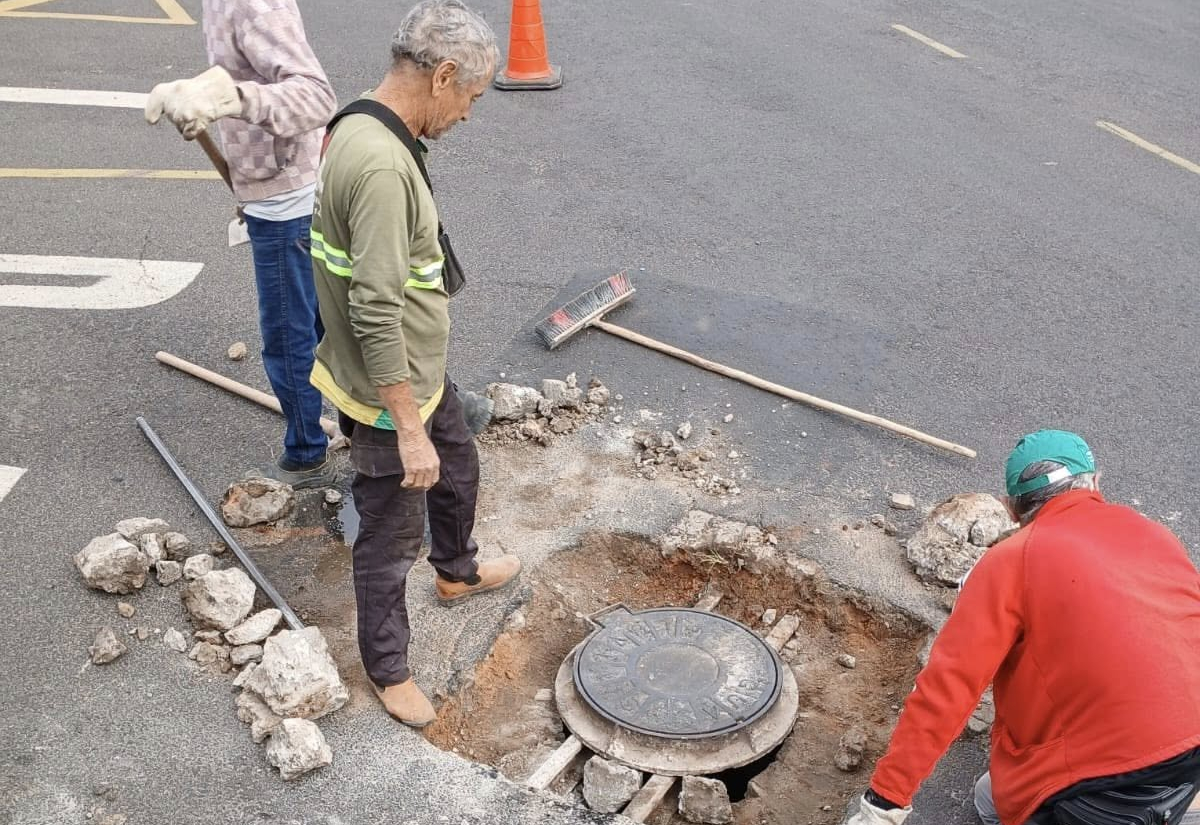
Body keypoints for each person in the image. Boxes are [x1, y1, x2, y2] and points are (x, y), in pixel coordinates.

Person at [309, 0, 520, 728]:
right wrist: (405, 426)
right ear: (445, 76)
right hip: (386, 391)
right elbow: (371, 305)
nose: (468, 115)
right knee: (391, 534)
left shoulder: (363, 122)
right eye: (471, 98)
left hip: (417, 374)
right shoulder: (379, 165)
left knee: (458, 467)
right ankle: (388, 667)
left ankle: (457, 571)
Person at [846, 430, 1200, 825]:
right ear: (1096, 482)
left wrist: (885, 800)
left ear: (1011, 509)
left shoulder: (1010, 561)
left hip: (1097, 789)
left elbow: (947, 688)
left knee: (995, 803)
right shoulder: (1157, 535)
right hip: (1190, 756)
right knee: (997, 794)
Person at [145, 0, 337, 488]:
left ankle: (307, 452)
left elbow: (316, 97)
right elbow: (245, 76)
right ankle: (374, 424)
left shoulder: (254, 3)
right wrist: (195, 94)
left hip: (287, 203)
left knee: (289, 336)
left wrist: (231, 97)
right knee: (324, 322)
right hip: (272, 192)